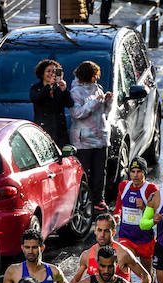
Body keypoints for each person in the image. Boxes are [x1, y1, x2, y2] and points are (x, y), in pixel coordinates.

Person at [70, 61, 114, 213]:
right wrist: (95, 102)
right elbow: (77, 113)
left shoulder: (98, 89)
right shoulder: (75, 92)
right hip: (84, 141)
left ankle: (98, 200)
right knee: (84, 172)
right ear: (89, 75)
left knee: (100, 171)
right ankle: (83, 200)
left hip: (100, 137)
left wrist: (108, 101)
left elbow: (105, 111)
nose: (97, 77)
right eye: (95, 75)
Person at [114, 157, 158, 283]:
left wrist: (144, 207)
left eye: (139, 171)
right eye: (132, 171)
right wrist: (116, 216)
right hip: (126, 237)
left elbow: (156, 214)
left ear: (144, 173)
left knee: (145, 272)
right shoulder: (124, 186)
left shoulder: (151, 189)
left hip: (144, 238)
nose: (135, 175)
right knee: (123, 267)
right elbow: (118, 207)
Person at [29, 59, 74, 149]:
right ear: (42, 73)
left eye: (54, 71)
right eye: (48, 71)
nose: (51, 74)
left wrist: (64, 90)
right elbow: (36, 99)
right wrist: (48, 86)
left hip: (59, 130)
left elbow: (70, 104)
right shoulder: (35, 88)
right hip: (43, 129)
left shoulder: (59, 88)